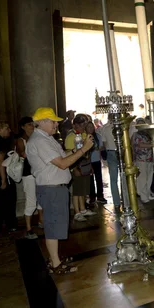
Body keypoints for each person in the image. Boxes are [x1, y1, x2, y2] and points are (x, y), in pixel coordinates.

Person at [27, 107, 94, 274]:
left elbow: (62, 156)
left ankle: (54, 258)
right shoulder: (40, 141)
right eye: (52, 121)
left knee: (56, 225)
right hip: (51, 189)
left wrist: (75, 149)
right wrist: (83, 150)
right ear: (41, 122)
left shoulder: (47, 138)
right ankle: (55, 264)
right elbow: (62, 164)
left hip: (56, 188)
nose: (56, 124)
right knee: (52, 226)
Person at [16, 117, 43, 239]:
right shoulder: (21, 140)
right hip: (28, 174)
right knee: (31, 201)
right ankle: (28, 229)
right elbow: (24, 154)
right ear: (23, 127)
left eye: (32, 124)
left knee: (41, 199)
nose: (32, 126)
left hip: (38, 172)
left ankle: (41, 221)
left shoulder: (36, 137)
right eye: (28, 124)